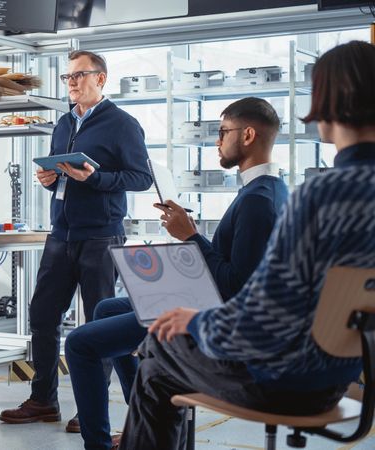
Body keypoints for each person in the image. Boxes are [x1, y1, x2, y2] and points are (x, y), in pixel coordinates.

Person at [118, 40, 375, 449]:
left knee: (158, 349)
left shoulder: (322, 195)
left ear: (332, 100)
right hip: (341, 376)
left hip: (287, 380)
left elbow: (261, 318)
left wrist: (196, 322)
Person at [65, 96, 289, 449]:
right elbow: (235, 266)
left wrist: (191, 238)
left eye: (223, 132)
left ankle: (100, 444)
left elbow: (236, 287)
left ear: (247, 135)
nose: (216, 141)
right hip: (213, 303)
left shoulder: (257, 202)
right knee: (106, 309)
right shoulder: (266, 190)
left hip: (217, 319)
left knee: (79, 344)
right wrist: (190, 236)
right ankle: (144, 421)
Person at [0, 50, 153, 431]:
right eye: (68, 77)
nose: (71, 82)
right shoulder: (64, 123)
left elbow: (141, 178)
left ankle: (91, 411)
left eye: (79, 75)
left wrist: (95, 179)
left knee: (100, 324)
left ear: (100, 79)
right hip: (60, 234)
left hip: (101, 236)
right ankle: (43, 400)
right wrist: (48, 178)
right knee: (42, 314)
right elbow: (60, 171)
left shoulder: (123, 124)